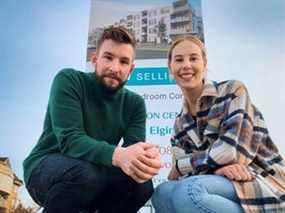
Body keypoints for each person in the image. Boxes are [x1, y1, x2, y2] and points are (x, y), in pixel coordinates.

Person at [23, 26, 162, 213]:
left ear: (131, 69)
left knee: (141, 186)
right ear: (95, 59)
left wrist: (145, 160)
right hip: (45, 167)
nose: (115, 68)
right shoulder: (69, 80)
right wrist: (119, 155)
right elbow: (70, 140)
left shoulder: (135, 103)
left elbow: (133, 154)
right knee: (87, 175)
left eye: (123, 62)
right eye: (108, 57)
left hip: (96, 172)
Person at [151, 36, 285, 213]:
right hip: (217, 183)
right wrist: (216, 169)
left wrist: (185, 165)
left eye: (193, 58)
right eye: (179, 59)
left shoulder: (232, 91)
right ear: (170, 68)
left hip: (259, 182)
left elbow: (232, 152)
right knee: (162, 193)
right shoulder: (179, 125)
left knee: (189, 191)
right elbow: (181, 175)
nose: (186, 65)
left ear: (205, 64)